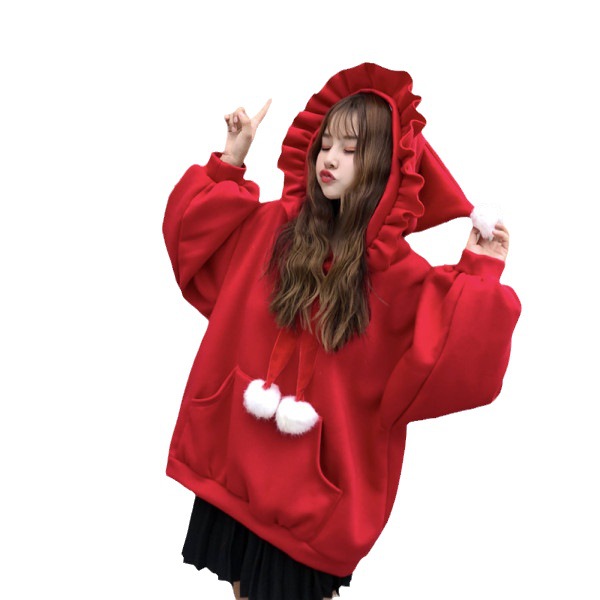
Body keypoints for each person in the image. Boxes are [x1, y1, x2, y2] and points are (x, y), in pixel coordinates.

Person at [162, 62, 521, 600]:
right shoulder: (274, 230)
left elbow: (455, 363)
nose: (329, 158)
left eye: (350, 149)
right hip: (237, 469)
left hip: (315, 501)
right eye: (325, 143)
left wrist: (479, 272)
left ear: (383, 165)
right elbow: (198, 246)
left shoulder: (400, 279)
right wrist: (231, 160)